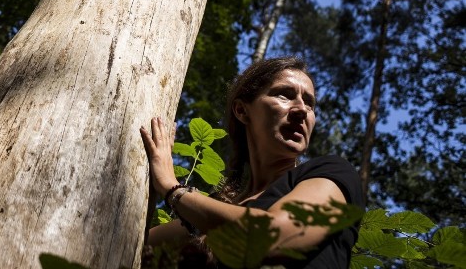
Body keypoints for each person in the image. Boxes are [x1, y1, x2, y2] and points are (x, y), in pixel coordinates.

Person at [139, 56, 364, 268]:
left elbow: (275, 237)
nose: (301, 110)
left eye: (309, 103)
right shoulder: (214, 215)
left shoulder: (332, 173)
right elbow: (135, 246)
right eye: (284, 95)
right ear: (241, 110)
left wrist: (172, 188)